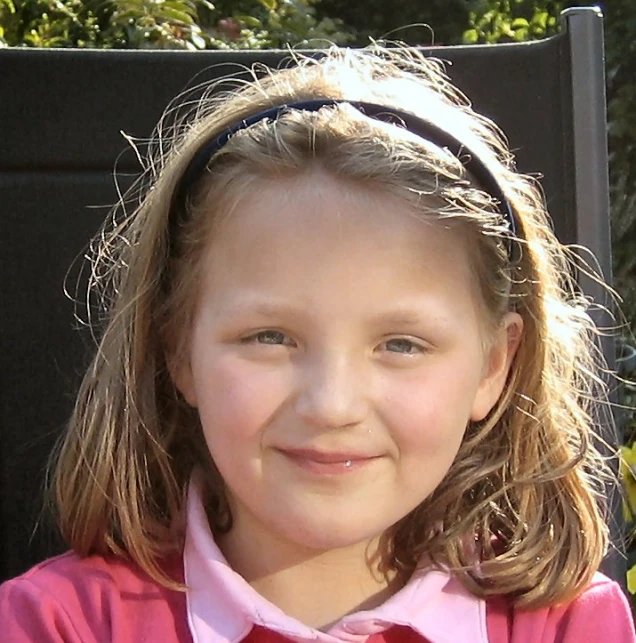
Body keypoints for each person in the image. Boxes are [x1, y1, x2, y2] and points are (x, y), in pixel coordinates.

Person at [0, 44, 634, 642]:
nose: (332, 405)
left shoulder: (566, 627)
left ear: (494, 365)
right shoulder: (58, 625)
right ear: (177, 350)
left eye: (402, 344)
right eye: (269, 337)